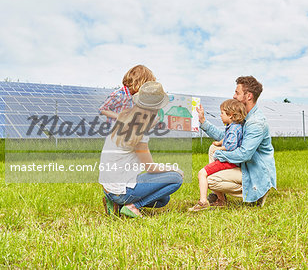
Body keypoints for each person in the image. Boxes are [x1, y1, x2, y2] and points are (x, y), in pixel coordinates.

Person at [99, 81, 183, 218]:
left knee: (163, 199)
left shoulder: (124, 117)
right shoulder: (140, 131)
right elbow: (150, 168)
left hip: (108, 187)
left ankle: (115, 203)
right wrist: (173, 168)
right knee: (176, 178)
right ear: (157, 107)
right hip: (120, 191)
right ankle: (132, 206)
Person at [197, 76, 276, 206]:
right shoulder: (243, 118)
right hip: (246, 165)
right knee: (213, 150)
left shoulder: (256, 123)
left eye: (237, 93)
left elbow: (244, 154)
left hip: (255, 171)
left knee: (209, 179)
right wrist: (203, 122)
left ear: (249, 96)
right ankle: (220, 198)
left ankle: (257, 191)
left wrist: (219, 155)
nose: (234, 96)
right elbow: (227, 137)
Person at [189, 99, 247, 211]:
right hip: (230, 162)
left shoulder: (233, 129)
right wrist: (219, 142)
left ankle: (203, 202)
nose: (220, 115)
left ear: (231, 115)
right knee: (206, 172)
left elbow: (231, 145)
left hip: (227, 162)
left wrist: (220, 148)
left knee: (202, 174)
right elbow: (227, 138)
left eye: (222, 113)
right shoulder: (235, 126)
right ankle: (220, 199)